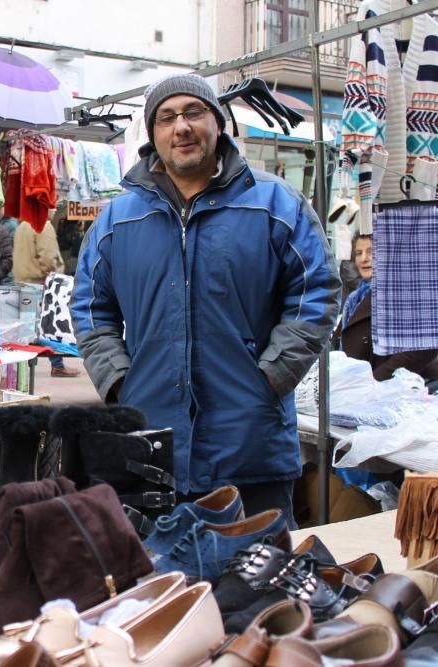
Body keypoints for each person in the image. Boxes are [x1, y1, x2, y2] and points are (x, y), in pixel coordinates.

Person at [71, 73, 340, 525]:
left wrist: (271, 376)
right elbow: (90, 307)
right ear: (152, 134)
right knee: (163, 584)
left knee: (258, 582)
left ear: (219, 124)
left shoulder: (275, 204)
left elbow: (316, 291)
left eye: (194, 112)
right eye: (166, 117)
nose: (182, 127)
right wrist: (119, 382)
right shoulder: (118, 220)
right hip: (152, 441)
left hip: (249, 441)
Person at [336, 233, 438, 382]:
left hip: (396, 391)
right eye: (359, 253)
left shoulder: (401, 290)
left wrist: (377, 378)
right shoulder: (354, 298)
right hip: (354, 389)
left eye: (371, 251)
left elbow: (423, 347)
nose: (364, 258)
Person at [14, 219, 79, 378]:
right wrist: (57, 274)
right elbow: (49, 256)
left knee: (26, 328)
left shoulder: (22, 225)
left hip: (23, 280)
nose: (54, 209)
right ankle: (57, 365)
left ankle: (21, 368)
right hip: (40, 281)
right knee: (49, 326)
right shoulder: (43, 224)